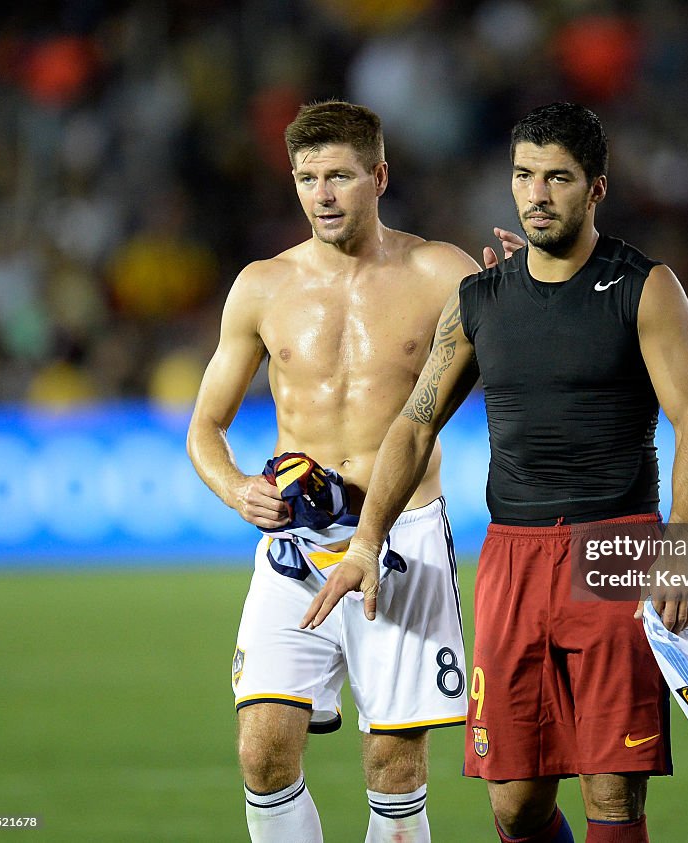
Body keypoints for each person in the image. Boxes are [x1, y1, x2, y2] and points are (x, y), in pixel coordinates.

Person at [302, 102, 688, 843]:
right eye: (524, 175)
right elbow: (414, 422)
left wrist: (680, 549)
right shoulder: (481, 301)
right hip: (511, 555)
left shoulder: (644, 287)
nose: (536, 193)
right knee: (514, 802)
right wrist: (366, 539)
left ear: (595, 188)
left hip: (614, 548)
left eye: (557, 177)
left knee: (612, 792)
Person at [186, 100, 504, 843]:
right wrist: (237, 488)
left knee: (394, 767)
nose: (321, 194)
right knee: (262, 750)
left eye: (338, 176)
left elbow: (529, 359)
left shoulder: (440, 272)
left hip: (402, 538)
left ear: (379, 176)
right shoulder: (263, 286)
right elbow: (205, 425)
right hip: (297, 547)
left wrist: (534, 284)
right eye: (306, 177)